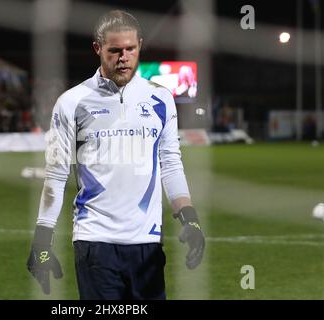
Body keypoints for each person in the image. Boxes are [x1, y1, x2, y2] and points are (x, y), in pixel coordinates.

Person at [27, 9, 205, 300]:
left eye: (130, 49)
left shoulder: (160, 99)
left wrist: (189, 217)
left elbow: (171, 163)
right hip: (94, 242)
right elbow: (56, 174)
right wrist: (42, 240)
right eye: (115, 50)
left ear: (140, 46)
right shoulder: (72, 102)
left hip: (146, 242)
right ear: (98, 48)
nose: (123, 57)